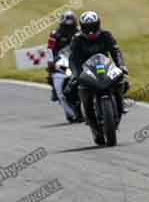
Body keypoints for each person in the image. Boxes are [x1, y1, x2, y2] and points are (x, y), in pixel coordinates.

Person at [66, 11, 129, 144]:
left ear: (98, 25)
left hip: (105, 67)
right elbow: (73, 59)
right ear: (82, 27)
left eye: (93, 27)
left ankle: (121, 104)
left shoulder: (106, 35)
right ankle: (88, 120)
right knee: (73, 89)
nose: (90, 31)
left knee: (123, 82)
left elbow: (115, 51)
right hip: (86, 72)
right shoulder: (77, 39)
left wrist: (121, 65)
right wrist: (76, 74)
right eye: (87, 28)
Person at [46, 10, 79, 101]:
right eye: (66, 27)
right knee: (52, 69)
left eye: (71, 27)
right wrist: (51, 60)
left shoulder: (79, 32)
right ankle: (54, 90)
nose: (68, 30)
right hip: (60, 58)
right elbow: (50, 48)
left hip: (76, 56)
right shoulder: (55, 33)